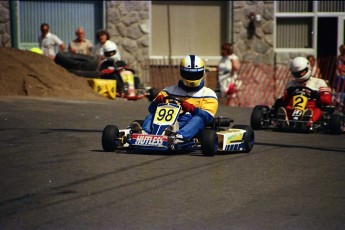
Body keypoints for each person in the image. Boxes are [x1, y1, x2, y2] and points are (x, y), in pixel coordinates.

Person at [131, 55, 219, 142]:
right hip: (168, 120)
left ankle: (179, 137)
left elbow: (208, 117)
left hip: (190, 122)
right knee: (152, 115)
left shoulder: (208, 94)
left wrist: (193, 109)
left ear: (202, 73)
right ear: (182, 72)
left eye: (195, 75)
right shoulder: (169, 91)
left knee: (198, 119)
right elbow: (151, 109)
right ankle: (144, 133)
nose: (192, 78)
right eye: (188, 74)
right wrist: (157, 102)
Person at [277, 56, 332, 127]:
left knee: (317, 111)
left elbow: (327, 100)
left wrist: (317, 95)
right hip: (294, 107)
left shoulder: (319, 82)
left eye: (302, 72)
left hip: (311, 107)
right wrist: (288, 94)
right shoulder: (290, 84)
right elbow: (285, 102)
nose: (300, 75)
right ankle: (285, 120)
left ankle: (308, 121)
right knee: (286, 109)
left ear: (308, 69)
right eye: (297, 73)